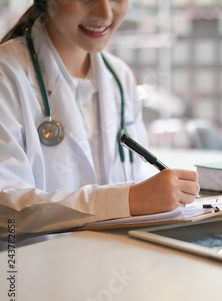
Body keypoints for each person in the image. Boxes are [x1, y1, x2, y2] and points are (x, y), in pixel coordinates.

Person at [0, 0, 200, 235]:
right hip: (32, 265)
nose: (105, 12)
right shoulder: (7, 74)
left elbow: (135, 171)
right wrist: (128, 200)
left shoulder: (120, 76)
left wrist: (165, 192)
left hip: (112, 257)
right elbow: (7, 210)